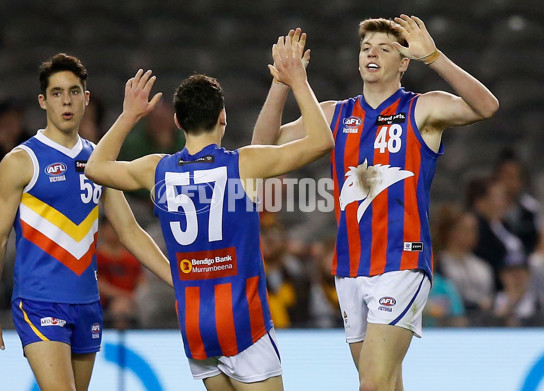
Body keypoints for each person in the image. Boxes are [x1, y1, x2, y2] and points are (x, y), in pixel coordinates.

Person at [251, 16, 498, 391]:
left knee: (372, 384)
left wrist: (433, 56)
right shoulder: (334, 114)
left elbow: (486, 106)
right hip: (350, 266)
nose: (372, 53)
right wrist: (281, 83)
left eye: (384, 49)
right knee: (386, 384)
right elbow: (263, 148)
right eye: (366, 48)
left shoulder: (422, 109)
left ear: (403, 63)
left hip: (402, 262)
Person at [85, 32, 333, 390]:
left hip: (196, 321)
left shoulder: (157, 169)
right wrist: (298, 81)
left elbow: (95, 167)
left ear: (177, 122)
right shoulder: (244, 164)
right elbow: (322, 141)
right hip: (243, 320)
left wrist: (128, 116)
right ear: (223, 117)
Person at [0, 53, 172, 391]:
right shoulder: (21, 161)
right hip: (39, 302)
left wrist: (179, 280)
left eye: (73, 91)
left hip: (87, 304)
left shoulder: (99, 160)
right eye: (56, 93)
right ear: (43, 101)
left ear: (86, 98)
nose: (66, 101)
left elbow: (129, 231)